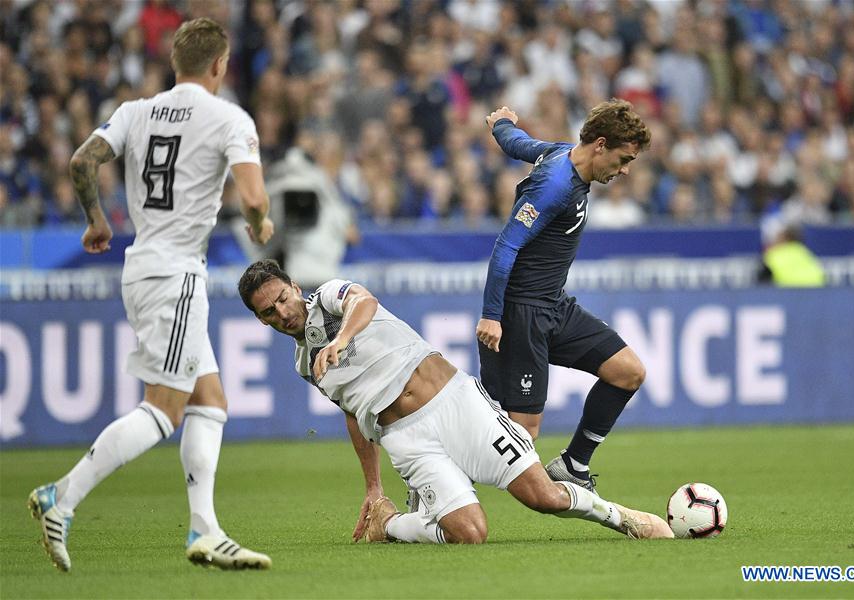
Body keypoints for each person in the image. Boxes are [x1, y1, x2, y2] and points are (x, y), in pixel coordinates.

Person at [29, 18, 275, 572]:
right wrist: (261, 224)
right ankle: (61, 497)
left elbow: (81, 160)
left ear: (175, 62)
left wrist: (96, 221)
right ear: (220, 65)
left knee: (209, 401)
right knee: (164, 409)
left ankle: (205, 528)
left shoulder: (136, 111)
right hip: (176, 275)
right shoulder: (229, 117)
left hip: (142, 266)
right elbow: (254, 196)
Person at [237, 259, 672, 544]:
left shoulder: (331, 298)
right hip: (404, 440)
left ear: (295, 287)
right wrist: (373, 489)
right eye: (268, 312)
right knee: (470, 534)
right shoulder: (304, 363)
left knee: (543, 497)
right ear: (259, 320)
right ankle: (386, 524)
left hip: (456, 403)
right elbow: (353, 413)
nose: (283, 312)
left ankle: (624, 519)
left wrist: (342, 340)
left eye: (282, 298)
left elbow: (364, 301)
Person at [476, 101, 651, 493]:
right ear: (601, 145)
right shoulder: (555, 184)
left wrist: (501, 123)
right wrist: (491, 314)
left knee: (628, 371)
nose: (625, 170)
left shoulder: (559, 154)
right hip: (522, 312)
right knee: (522, 435)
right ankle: (434, 478)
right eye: (624, 159)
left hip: (555, 305)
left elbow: (518, 142)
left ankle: (574, 465)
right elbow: (506, 247)